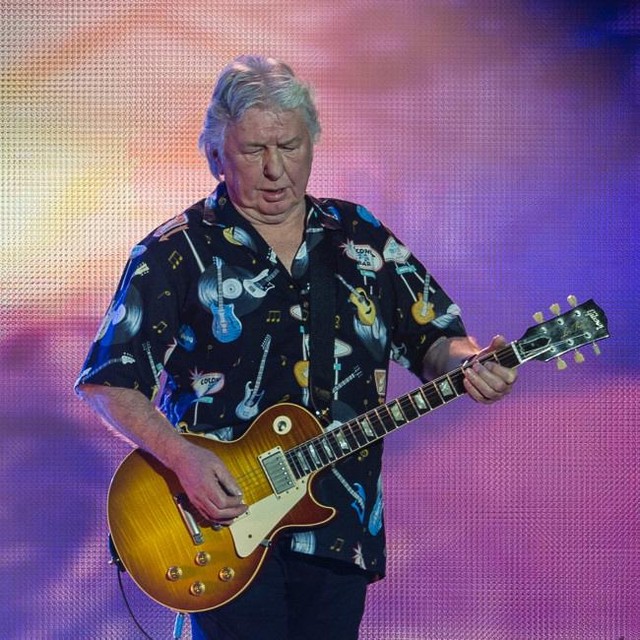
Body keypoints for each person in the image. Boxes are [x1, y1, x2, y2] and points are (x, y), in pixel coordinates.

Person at [75, 54, 517, 640]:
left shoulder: (359, 237)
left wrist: (472, 363)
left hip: (338, 528)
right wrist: (181, 458)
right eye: (254, 150)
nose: (275, 169)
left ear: (312, 142)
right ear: (216, 155)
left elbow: (436, 339)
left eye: (290, 146)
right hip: (220, 527)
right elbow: (109, 383)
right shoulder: (174, 252)